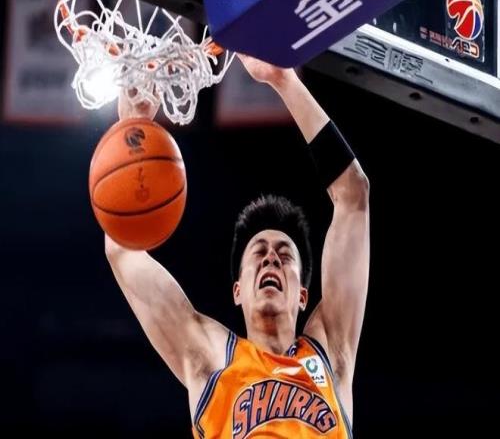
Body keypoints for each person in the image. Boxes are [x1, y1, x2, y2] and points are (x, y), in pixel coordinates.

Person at [107, 54, 370, 438]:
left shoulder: (331, 352)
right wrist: (131, 132)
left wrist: (284, 80)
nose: (271, 259)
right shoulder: (211, 358)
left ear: (302, 295)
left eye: (284, 256)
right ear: (237, 290)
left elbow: (353, 195)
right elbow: (123, 250)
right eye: (259, 253)